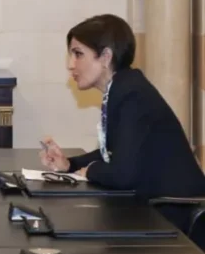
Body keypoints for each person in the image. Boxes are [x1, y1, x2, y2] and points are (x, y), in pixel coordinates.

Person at [39, 14, 205, 237]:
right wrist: (70, 164)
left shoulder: (132, 94)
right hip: (157, 211)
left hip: (178, 219)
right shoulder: (123, 88)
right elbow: (114, 154)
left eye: (78, 54)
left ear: (106, 57)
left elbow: (122, 174)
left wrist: (91, 170)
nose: (71, 65)